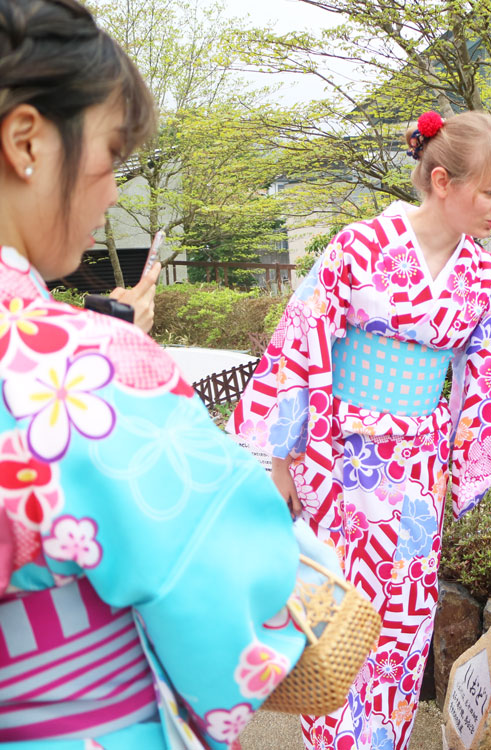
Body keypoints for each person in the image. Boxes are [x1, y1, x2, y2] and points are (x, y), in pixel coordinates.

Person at [0, 1, 307, 747]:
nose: (110, 194)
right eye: (110, 154)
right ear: (25, 139)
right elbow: (225, 571)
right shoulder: (80, 366)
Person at [229, 110, 491, 749]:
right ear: (442, 181)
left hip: (414, 474)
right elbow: (300, 346)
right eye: (490, 192)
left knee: (403, 627)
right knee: (337, 618)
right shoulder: (360, 248)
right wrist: (279, 467)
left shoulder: (481, 277)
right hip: (336, 464)